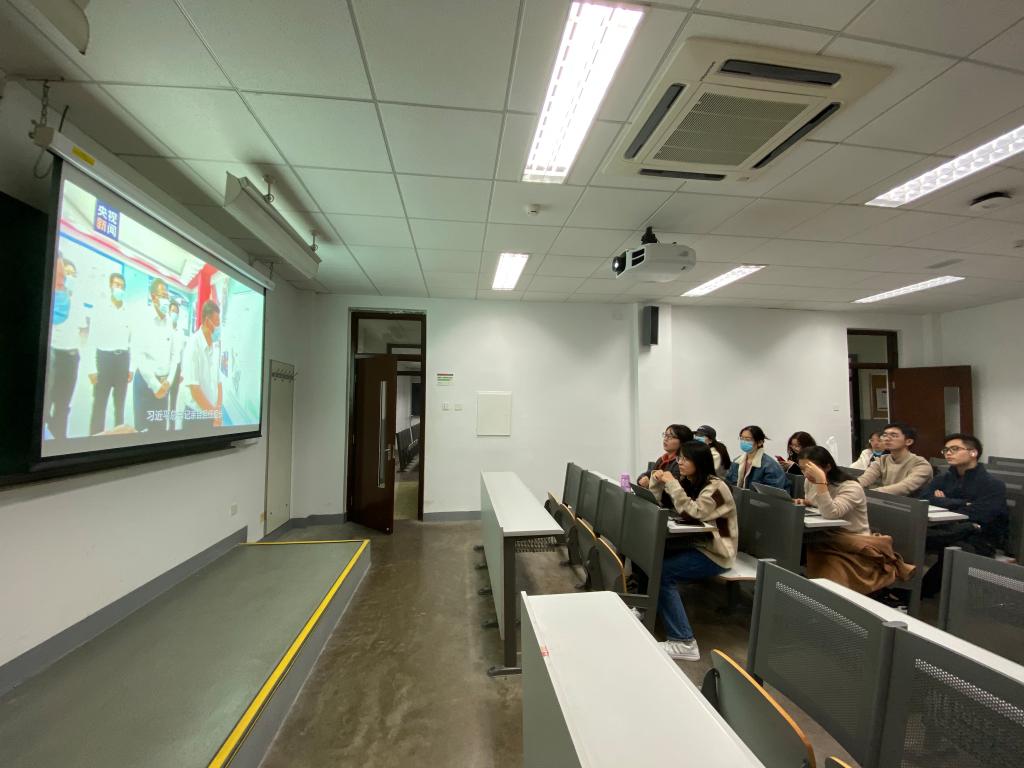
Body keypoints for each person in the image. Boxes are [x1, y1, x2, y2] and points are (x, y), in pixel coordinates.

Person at [648, 441, 737, 661]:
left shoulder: (716, 488)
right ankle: (645, 607)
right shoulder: (690, 481)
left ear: (700, 462)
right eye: (679, 458)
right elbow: (662, 504)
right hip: (698, 543)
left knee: (663, 572)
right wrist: (656, 482)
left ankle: (684, 641)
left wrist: (672, 483)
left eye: (685, 459)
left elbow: (693, 513)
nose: (680, 463)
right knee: (651, 555)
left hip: (716, 552)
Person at [798, 446, 915, 594]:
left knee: (825, 563)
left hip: (852, 540)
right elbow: (819, 503)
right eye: (803, 469)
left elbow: (831, 513)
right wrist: (806, 502)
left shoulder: (850, 487)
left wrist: (821, 481)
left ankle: (829, 598)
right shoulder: (810, 481)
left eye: (811, 469)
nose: (806, 474)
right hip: (826, 535)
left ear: (827, 467)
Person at [920, 434, 1007, 598]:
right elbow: (924, 499)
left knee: (955, 548)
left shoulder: (992, 484)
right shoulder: (943, 478)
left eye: (955, 449)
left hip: (980, 537)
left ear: (973, 453)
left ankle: (916, 595)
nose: (948, 453)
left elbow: (979, 514)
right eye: (946, 450)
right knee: (909, 536)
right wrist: (961, 502)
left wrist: (943, 501)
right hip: (947, 529)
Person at [44, 257, 89, 441]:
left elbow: (83, 330)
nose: (69, 277)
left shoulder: (77, 301)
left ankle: (59, 438)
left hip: (71, 357)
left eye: (72, 274)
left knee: (64, 403)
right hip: (53, 355)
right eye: (66, 273)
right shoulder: (53, 297)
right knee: (46, 401)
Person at [88, 272, 132, 434]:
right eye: (116, 285)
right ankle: (94, 439)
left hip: (122, 360)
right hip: (104, 360)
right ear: (110, 286)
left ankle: (118, 440)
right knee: (99, 404)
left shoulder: (128, 311)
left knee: (119, 405)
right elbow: (92, 338)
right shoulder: (101, 308)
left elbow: (132, 341)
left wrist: (130, 368)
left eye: (122, 286)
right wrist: (91, 369)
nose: (119, 288)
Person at [132, 277, 174, 432]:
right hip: (145, 383)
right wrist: (156, 386)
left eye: (167, 296)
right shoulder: (143, 319)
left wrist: (168, 382)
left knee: (160, 430)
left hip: (164, 385)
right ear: (153, 297)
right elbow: (139, 356)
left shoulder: (169, 322)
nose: (166, 300)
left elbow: (173, 355)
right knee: (143, 431)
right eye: (163, 296)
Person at [856, 422, 933, 496]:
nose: (887, 439)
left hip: (911, 503)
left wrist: (870, 493)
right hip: (887, 501)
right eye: (884, 435)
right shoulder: (881, 460)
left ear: (908, 441)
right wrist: (852, 487)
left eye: (894, 435)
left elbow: (904, 487)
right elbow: (865, 479)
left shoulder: (921, 464)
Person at [181, 299, 223, 431]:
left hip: (212, 414)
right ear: (207, 320)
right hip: (196, 416)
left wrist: (217, 409)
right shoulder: (193, 345)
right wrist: (214, 414)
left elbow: (219, 381)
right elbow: (195, 389)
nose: (219, 326)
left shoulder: (215, 347)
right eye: (216, 322)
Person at [636, 424, 692, 505]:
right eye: (665, 435)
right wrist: (642, 478)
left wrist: (650, 484)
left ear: (682, 441)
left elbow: (672, 494)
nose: (665, 439)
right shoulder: (662, 459)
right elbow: (648, 473)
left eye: (670, 436)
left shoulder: (680, 464)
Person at [167, 300, 186, 428]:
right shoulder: (164, 328)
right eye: (172, 311)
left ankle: (172, 427)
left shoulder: (180, 332)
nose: (174, 313)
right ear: (168, 312)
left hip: (177, 368)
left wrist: (182, 371)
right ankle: (159, 427)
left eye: (176, 312)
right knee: (162, 398)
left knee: (173, 399)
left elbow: (182, 352)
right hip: (165, 367)